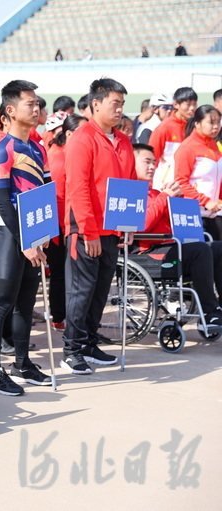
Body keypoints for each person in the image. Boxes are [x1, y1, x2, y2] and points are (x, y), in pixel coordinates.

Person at [62, 78, 137, 375]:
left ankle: (90, 342)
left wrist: (130, 223)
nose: (119, 110)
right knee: (82, 290)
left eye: (122, 105)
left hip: (113, 227)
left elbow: (130, 184)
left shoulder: (123, 140)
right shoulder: (82, 138)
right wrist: (88, 230)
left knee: (101, 290)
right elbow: (78, 187)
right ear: (96, 104)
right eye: (114, 104)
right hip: (85, 229)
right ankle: (72, 348)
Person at [0, 80, 52, 396]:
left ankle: (22, 364)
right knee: (1, 307)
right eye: (30, 104)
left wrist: (45, 232)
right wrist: (25, 241)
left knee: (26, 304)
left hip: (35, 235)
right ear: (10, 110)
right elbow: (3, 206)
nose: (36, 109)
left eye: (38, 104)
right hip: (11, 237)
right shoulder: (1, 151)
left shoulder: (37, 148)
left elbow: (45, 194)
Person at [132, 143, 222, 327]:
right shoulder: (130, 193)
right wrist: (164, 197)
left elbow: (173, 221)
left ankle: (219, 306)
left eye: (154, 162)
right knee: (200, 250)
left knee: (218, 248)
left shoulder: (156, 192)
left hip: (168, 247)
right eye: (146, 162)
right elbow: (142, 225)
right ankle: (209, 310)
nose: (152, 167)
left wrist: (177, 199)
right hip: (147, 254)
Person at [47, 114, 87, 331]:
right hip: (60, 227)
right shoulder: (57, 156)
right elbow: (57, 196)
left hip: (70, 223)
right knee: (61, 274)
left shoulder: (70, 154)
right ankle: (60, 315)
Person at [173, 105, 222, 239]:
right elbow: (181, 182)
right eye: (211, 122)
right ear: (197, 123)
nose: (216, 126)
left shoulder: (214, 146)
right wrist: (205, 201)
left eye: (218, 122)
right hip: (195, 215)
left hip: (215, 213)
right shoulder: (187, 148)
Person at [150, 87, 198, 191]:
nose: (192, 108)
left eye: (194, 104)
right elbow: (152, 158)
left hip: (189, 187)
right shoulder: (164, 128)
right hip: (166, 187)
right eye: (188, 104)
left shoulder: (196, 127)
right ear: (176, 104)